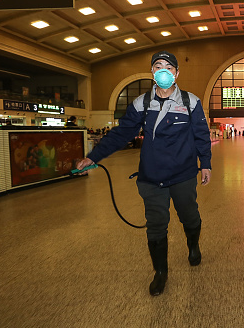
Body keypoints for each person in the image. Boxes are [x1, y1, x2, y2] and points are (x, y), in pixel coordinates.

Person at [75, 50, 212, 296]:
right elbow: (121, 134)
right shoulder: (142, 104)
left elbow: (201, 135)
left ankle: (193, 245)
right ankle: (160, 272)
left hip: (183, 174)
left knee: (189, 217)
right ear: (152, 72)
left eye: (168, 67)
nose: (163, 71)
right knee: (156, 226)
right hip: (152, 177)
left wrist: (207, 164)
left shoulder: (191, 102)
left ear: (177, 73)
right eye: (158, 66)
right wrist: (93, 156)